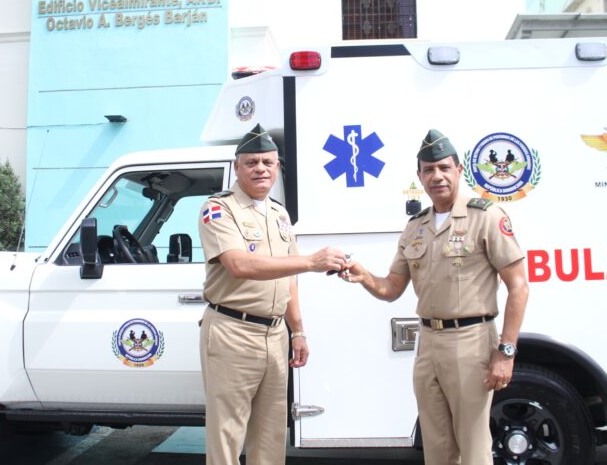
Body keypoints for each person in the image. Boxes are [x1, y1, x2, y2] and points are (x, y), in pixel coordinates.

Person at [341, 129, 529, 465]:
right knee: (437, 447)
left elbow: (519, 286)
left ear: (459, 170)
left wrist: (506, 351)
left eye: (444, 167)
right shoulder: (416, 227)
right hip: (427, 342)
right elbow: (391, 288)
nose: (437, 176)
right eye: (428, 170)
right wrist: (364, 276)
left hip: (470, 342)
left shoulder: (485, 217)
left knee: (473, 448)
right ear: (419, 177)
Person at [198, 123, 348, 465]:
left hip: (275, 334)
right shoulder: (219, 209)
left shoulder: (279, 213)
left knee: (271, 432)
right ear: (237, 168)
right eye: (251, 162)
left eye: (268, 162)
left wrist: (298, 330)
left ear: (277, 166)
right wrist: (311, 261)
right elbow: (239, 265)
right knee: (227, 434)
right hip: (233, 331)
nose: (261, 169)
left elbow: (288, 276)